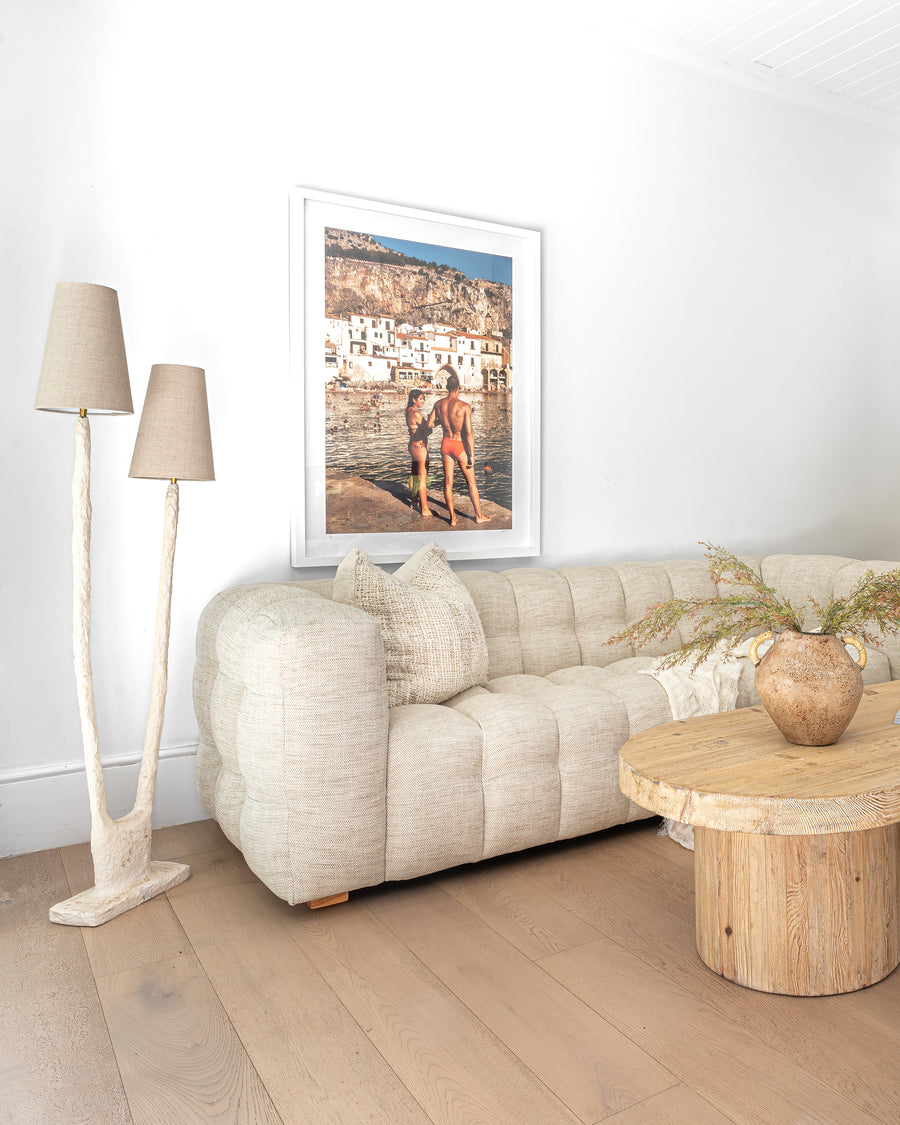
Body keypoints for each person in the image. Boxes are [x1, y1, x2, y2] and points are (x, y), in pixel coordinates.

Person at [427, 372, 490, 526]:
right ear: (459, 387)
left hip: (446, 444)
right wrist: (472, 455)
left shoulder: (438, 404)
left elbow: (429, 424)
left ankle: (453, 517)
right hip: (459, 445)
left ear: (447, 387)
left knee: (448, 483)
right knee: (471, 483)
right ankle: (479, 515)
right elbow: (468, 432)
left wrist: (442, 422)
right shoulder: (464, 407)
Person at [405, 389, 432, 517]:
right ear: (414, 399)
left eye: (423, 399)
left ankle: (414, 501)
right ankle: (425, 509)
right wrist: (436, 420)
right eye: (420, 399)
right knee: (422, 477)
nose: (422, 401)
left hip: (413, 445)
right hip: (419, 447)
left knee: (414, 474)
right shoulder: (416, 414)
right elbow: (428, 431)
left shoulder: (409, 410)